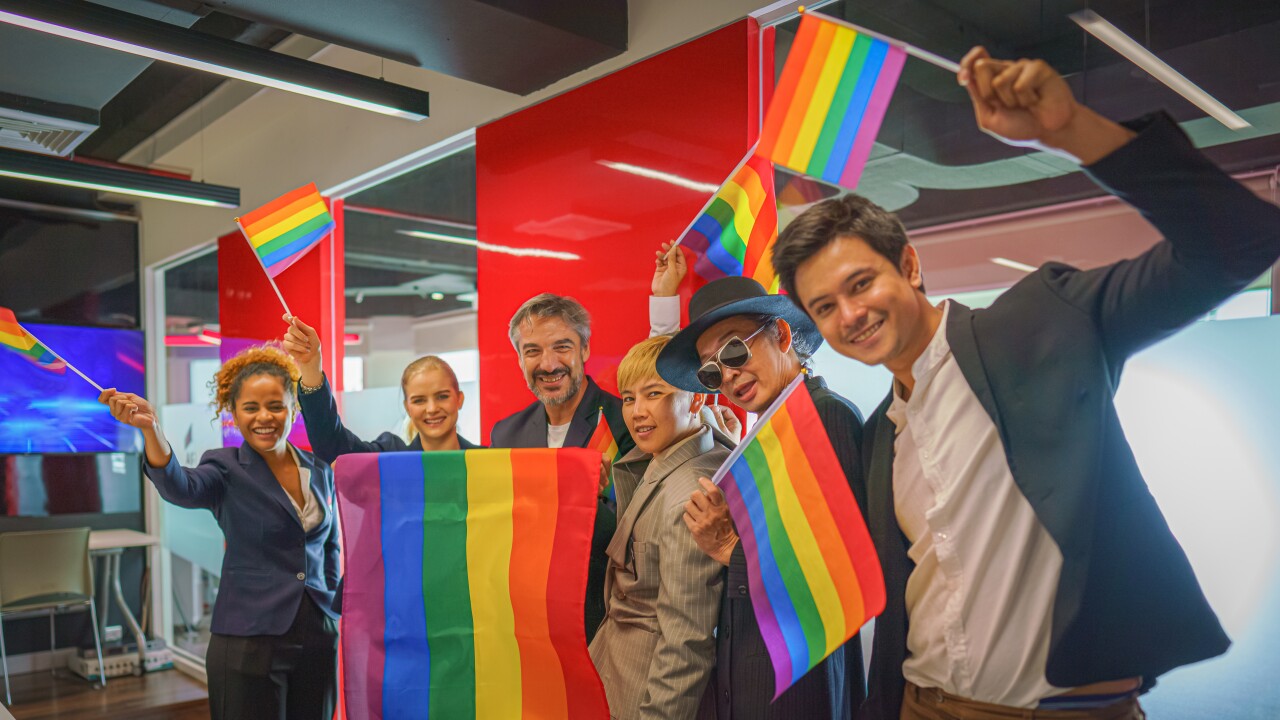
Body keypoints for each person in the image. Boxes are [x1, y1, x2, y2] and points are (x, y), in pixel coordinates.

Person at [768, 47, 1280, 720]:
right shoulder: (879, 440)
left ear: (910, 265)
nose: (850, 315)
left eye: (860, 284)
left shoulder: (1039, 324)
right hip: (921, 705)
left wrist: (1074, 134)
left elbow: (1240, 241)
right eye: (824, 307)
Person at [650, 248, 867, 720]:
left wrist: (729, 548)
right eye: (711, 370)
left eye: (734, 350)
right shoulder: (768, 433)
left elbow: (834, 572)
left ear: (782, 335)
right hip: (750, 675)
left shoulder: (824, 417)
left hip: (800, 683)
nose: (727, 375)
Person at [99, 345, 339, 720]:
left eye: (276, 406)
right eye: (251, 407)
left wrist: (333, 608)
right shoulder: (226, 468)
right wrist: (152, 429)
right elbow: (180, 486)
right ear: (233, 413)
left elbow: (330, 545)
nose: (265, 417)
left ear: (294, 409)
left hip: (317, 635)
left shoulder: (319, 468)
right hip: (248, 638)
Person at [589, 335, 732, 720]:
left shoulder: (691, 494)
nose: (636, 411)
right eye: (629, 397)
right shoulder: (664, 456)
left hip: (645, 692)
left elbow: (687, 639)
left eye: (654, 393)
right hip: (617, 672)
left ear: (698, 399)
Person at [490, 292, 635, 642]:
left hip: (607, 619)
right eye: (533, 351)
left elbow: (641, 529)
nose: (549, 363)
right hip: (530, 620)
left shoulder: (626, 421)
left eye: (562, 347)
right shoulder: (506, 433)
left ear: (584, 350)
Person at [281, 314, 481, 458]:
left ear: (459, 398)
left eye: (442, 396)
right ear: (407, 408)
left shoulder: (488, 462)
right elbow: (332, 446)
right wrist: (311, 367)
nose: (432, 408)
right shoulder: (389, 459)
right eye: (419, 400)